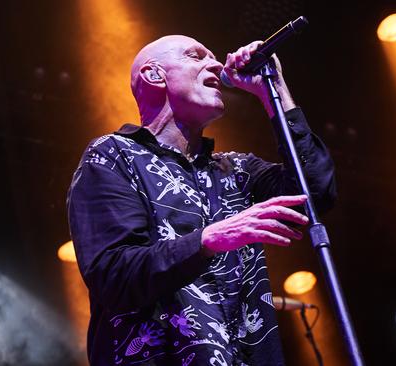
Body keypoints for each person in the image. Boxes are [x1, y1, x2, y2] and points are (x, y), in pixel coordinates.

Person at [67, 35, 336, 365]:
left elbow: (315, 193)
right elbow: (114, 276)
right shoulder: (112, 156)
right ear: (154, 76)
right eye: (196, 56)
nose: (217, 65)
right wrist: (212, 238)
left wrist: (274, 90)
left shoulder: (237, 169)